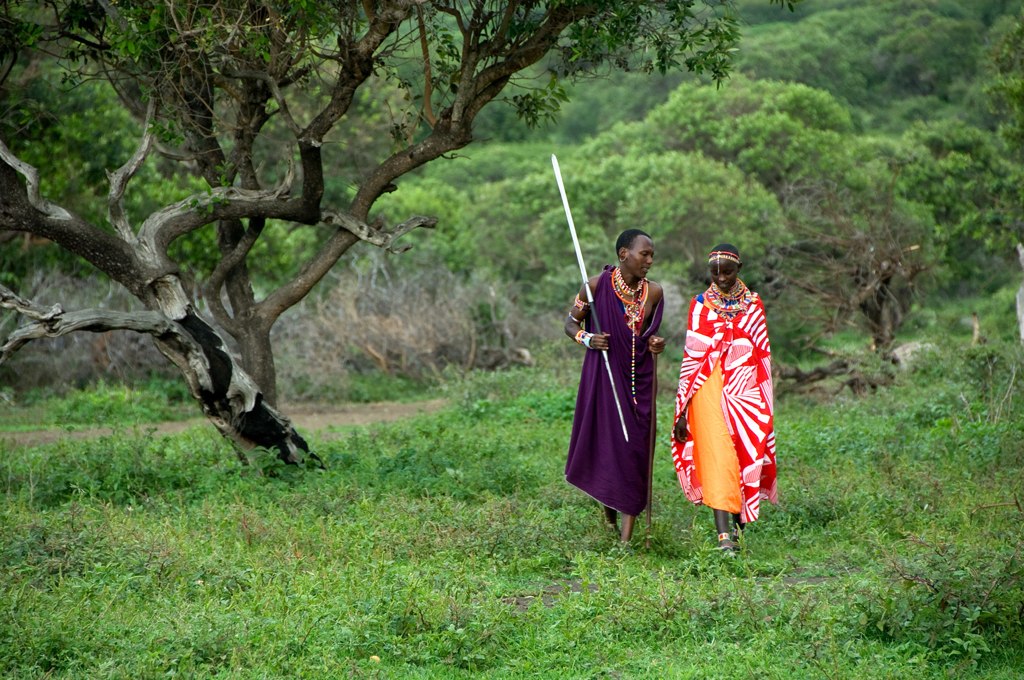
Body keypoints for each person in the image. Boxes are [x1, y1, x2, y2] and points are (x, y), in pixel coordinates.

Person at [671, 243, 777, 553]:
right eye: (715, 273)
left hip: (746, 392)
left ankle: (740, 528)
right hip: (708, 388)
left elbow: (762, 355)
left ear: (739, 269)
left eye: (727, 272)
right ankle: (724, 537)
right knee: (718, 456)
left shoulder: (754, 304)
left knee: (746, 453)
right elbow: (692, 359)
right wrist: (682, 412)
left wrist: (761, 399)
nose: (721, 278)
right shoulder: (700, 305)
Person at [564, 229, 666, 542]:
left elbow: (649, 335)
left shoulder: (655, 293)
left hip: (639, 383)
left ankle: (625, 540)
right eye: (643, 254)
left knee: (634, 449)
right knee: (607, 447)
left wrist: (656, 344)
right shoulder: (594, 287)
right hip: (604, 379)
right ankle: (612, 521)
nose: (649, 260)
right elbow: (570, 325)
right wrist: (588, 338)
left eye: (651, 255)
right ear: (623, 254)